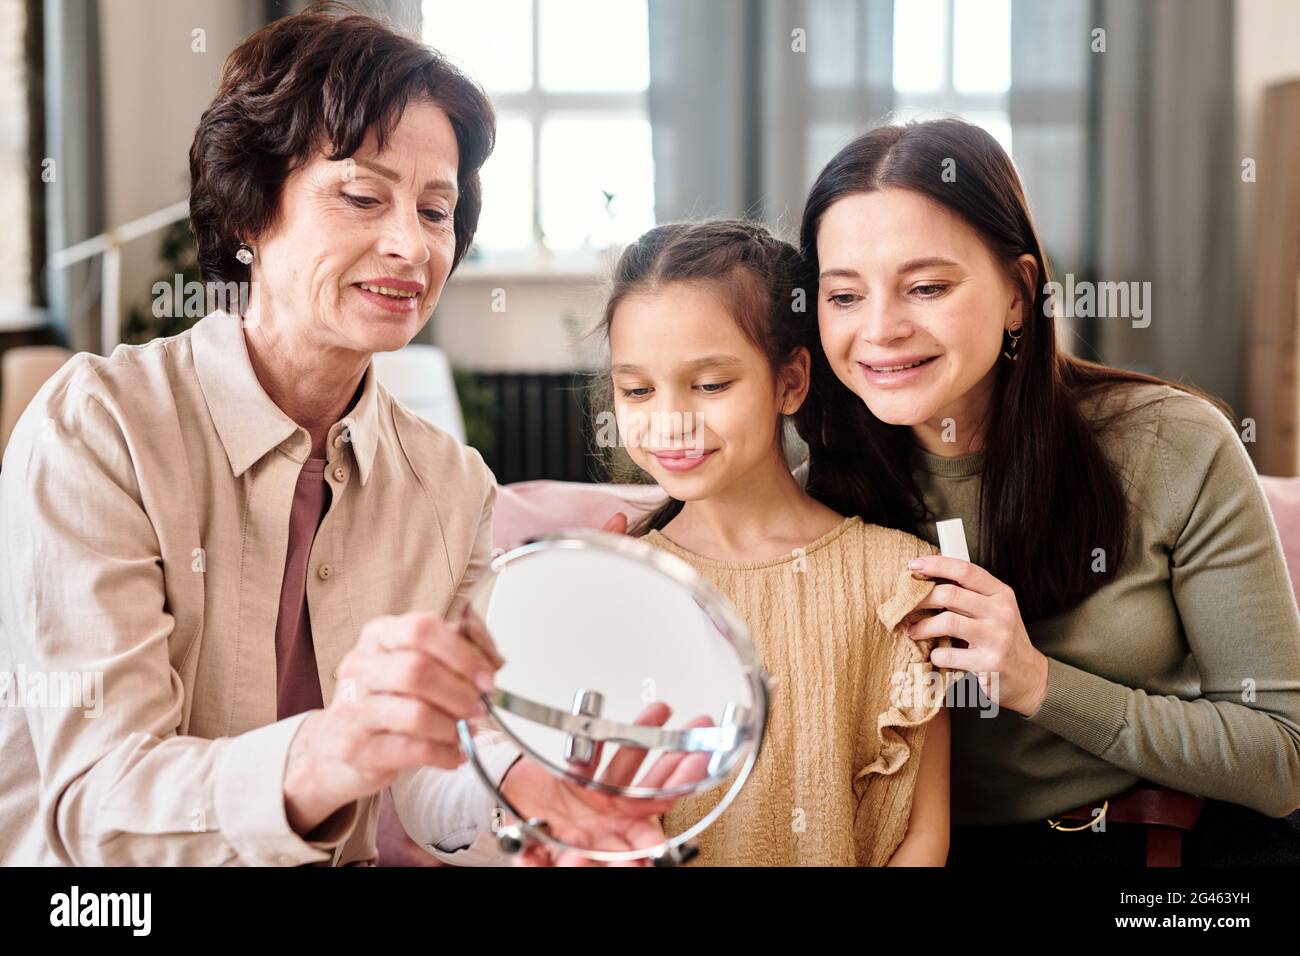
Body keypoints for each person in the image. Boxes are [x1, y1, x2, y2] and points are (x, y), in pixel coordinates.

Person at [0, 5, 690, 868]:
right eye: (362, 196)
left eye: (436, 212)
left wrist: (524, 789)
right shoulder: (100, 430)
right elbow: (100, 805)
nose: (410, 244)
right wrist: (336, 749)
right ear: (250, 215)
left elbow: (429, 778)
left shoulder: (449, 482)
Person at [796, 117, 1300, 864]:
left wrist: (1035, 682)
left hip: (1156, 844)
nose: (881, 329)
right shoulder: (813, 502)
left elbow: (1282, 758)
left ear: (1018, 292)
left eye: (927, 287)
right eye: (843, 296)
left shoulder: (1174, 445)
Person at [592, 219, 952, 865]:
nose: (670, 421)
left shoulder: (898, 578)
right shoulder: (618, 583)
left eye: (710, 385)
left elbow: (924, 834)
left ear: (790, 381)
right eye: (637, 389)